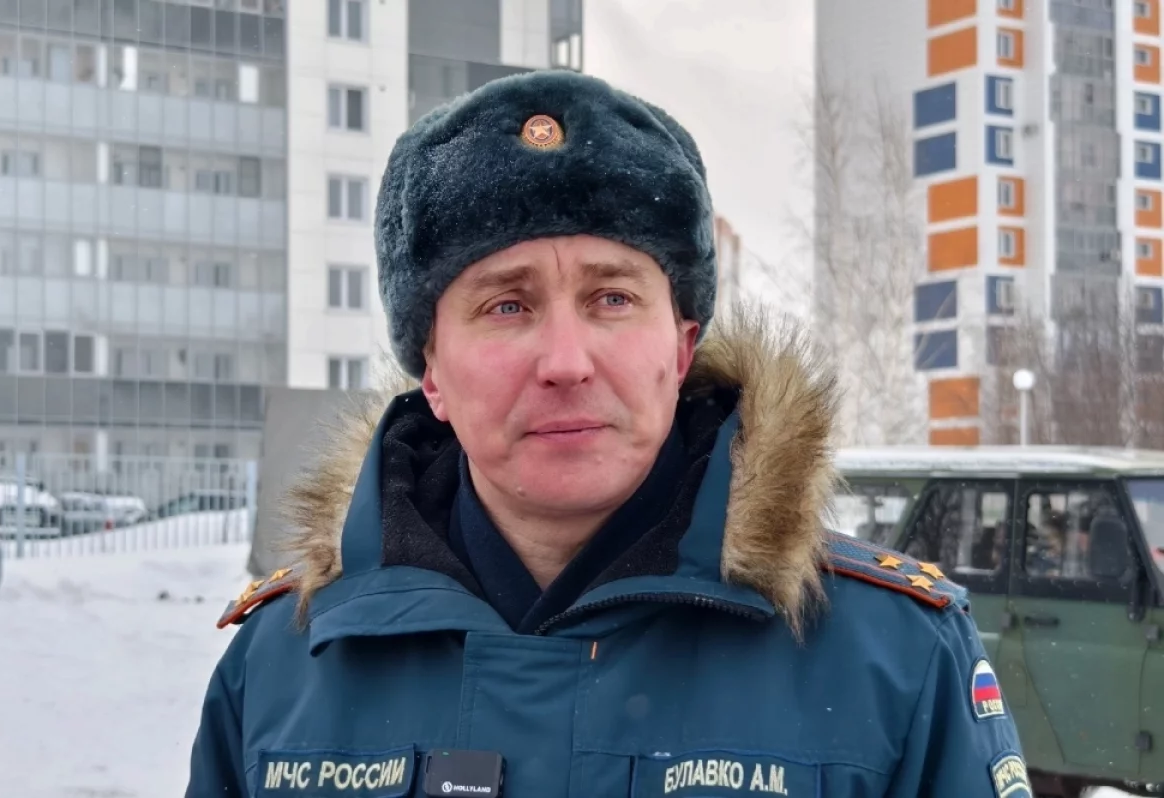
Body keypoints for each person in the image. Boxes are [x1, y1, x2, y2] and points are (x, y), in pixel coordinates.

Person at [185, 70, 1028, 798]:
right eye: (506, 305)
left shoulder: (893, 661)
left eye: (613, 298)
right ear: (431, 371)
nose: (565, 362)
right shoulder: (282, 669)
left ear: (682, 348)